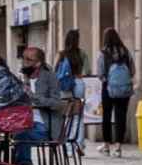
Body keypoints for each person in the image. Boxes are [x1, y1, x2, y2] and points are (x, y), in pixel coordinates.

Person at [13, 47, 63, 165]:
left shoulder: (50, 77)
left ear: (38, 63)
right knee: (7, 136)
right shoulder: (21, 78)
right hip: (24, 123)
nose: (24, 62)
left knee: (21, 135)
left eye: (29, 60)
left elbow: (56, 103)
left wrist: (33, 97)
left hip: (45, 126)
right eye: (23, 59)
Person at [97, 27, 134, 157]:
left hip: (108, 88)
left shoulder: (103, 53)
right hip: (124, 89)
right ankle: (118, 147)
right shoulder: (126, 52)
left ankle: (106, 146)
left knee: (106, 116)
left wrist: (107, 80)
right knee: (121, 117)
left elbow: (100, 73)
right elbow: (132, 71)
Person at [56, 29, 90, 153]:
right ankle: (78, 145)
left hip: (65, 86)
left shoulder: (61, 54)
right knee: (78, 117)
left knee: (67, 116)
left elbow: (55, 72)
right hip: (79, 83)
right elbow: (88, 70)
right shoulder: (82, 53)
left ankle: (68, 146)